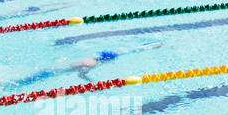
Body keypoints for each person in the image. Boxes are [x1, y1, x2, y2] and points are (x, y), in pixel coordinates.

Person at [14, 42, 165, 85]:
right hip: (54, 71)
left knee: (28, 77)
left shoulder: (92, 57)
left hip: (55, 67)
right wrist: (91, 82)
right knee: (25, 81)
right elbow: (80, 74)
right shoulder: (92, 63)